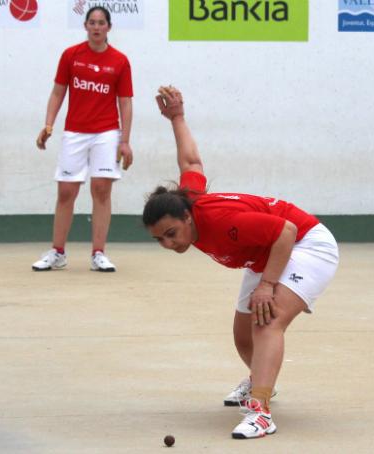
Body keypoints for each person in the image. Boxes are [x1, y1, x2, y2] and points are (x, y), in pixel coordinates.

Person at [144, 87, 339, 439]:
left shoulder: (223, 222)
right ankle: (261, 380)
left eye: (171, 233)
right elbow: (191, 163)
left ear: (187, 218)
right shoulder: (186, 199)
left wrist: (267, 285)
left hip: (306, 243)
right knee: (242, 334)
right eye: (160, 239)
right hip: (264, 251)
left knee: (267, 321)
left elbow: (286, 230)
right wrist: (177, 117)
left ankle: (261, 412)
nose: (168, 244)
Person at [33, 6, 133, 272]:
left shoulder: (120, 61)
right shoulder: (71, 55)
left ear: (108, 28)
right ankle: (58, 252)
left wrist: (125, 140)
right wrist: (48, 124)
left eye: (101, 23)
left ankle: (98, 253)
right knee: (66, 191)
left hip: (106, 133)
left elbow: (125, 103)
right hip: (74, 132)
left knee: (101, 189)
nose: (96, 27)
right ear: (86, 26)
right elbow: (57, 93)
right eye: (92, 22)